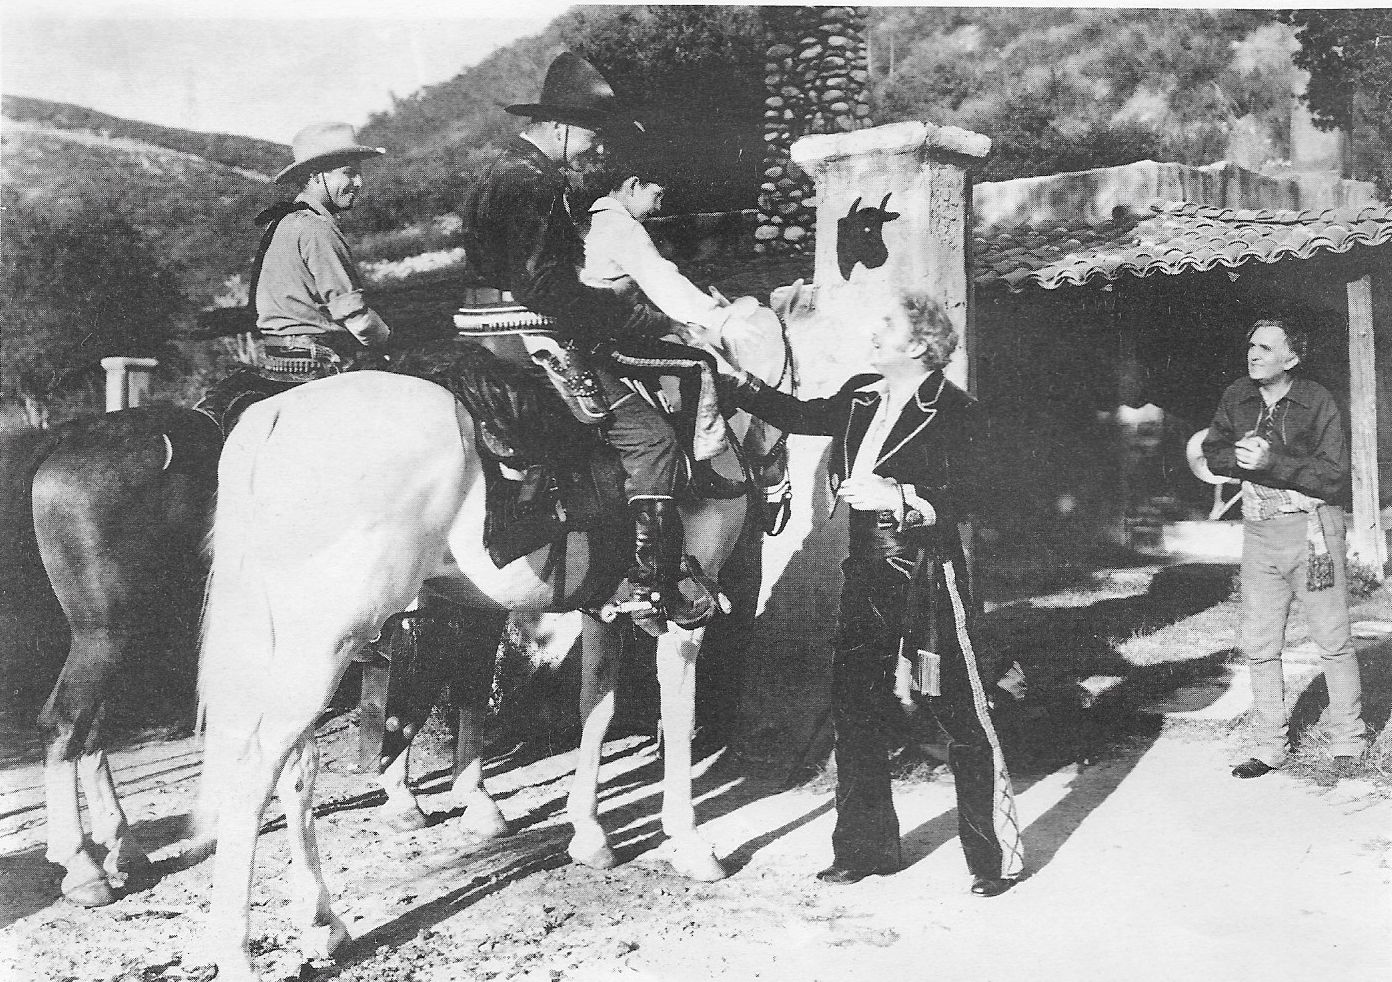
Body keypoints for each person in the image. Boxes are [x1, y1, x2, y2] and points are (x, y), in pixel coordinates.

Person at [720, 292, 1025, 897]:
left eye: (888, 326)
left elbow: (978, 491)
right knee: (855, 704)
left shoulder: (957, 410)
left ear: (919, 345)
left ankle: (993, 860)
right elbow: (800, 415)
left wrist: (904, 499)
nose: (875, 333)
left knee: (957, 710)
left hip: (928, 571)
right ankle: (865, 851)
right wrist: (734, 380)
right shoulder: (862, 393)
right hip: (866, 572)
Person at [457, 52, 700, 624]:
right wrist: (611, 308)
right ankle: (653, 582)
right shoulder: (535, 181)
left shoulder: (497, 171)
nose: (595, 149)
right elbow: (544, 284)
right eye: (591, 135)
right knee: (653, 439)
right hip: (532, 341)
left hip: (478, 334)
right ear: (562, 126)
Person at [1202, 316, 1366, 779]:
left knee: (1333, 640)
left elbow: (1334, 475)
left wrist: (1273, 460)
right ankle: (1270, 745)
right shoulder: (1237, 394)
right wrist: (1237, 456)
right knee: (1259, 643)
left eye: (1266, 348)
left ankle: (1347, 741)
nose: (1253, 355)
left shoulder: (1317, 401)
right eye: (1251, 345)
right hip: (1260, 531)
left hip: (1312, 531)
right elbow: (1213, 451)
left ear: (1291, 358)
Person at [581, 138, 760, 490]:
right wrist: (719, 320)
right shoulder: (622, 227)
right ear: (633, 186)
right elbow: (663, 281)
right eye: (657, 195)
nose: (659, 206)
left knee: (676, 347)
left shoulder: (596, 221)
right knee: (699, 364)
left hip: (608, 326)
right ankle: (702, 469)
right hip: (609, 335)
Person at [255, 121, 393, 377]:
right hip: (321, 359)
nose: (359, 182)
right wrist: (392, 341)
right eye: (349, 173)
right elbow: (355, 316)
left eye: (359, 173)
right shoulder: (317, 228)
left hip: (277, 357)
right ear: (317, 175)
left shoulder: (282, 221)